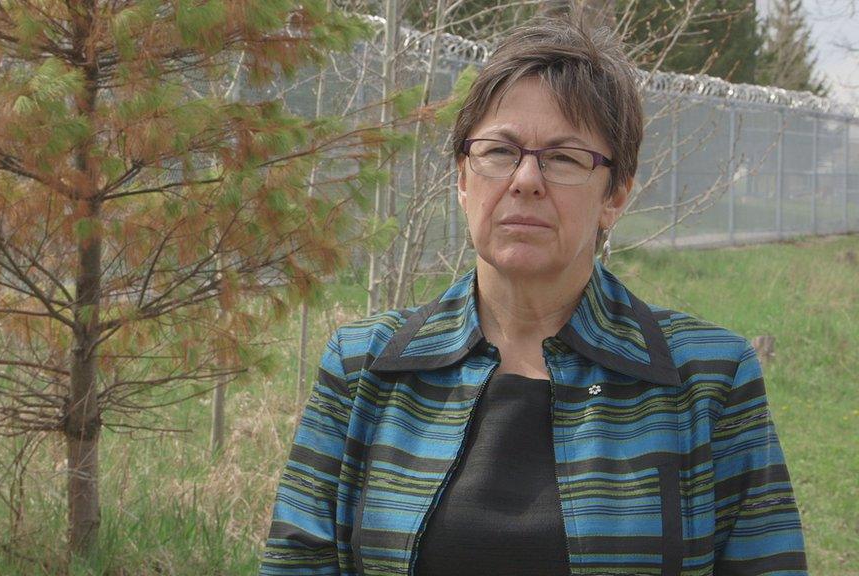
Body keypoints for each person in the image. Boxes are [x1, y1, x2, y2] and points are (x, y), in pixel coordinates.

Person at [259, 17, 808, 576]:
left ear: (615, 195)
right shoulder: (364, 369)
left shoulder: (707, 380)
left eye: (564, 158)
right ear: (462, 179)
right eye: (499, 151)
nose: (525, 179)